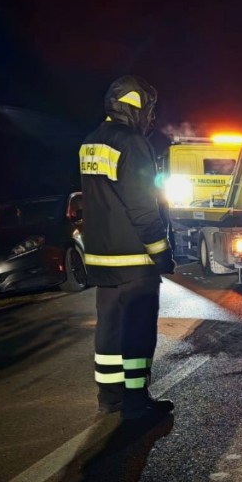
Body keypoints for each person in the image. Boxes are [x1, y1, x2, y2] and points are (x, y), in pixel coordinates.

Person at [79, 75, 176, 422]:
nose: (151, 117)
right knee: (137, 330)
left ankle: (110, 397)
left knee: (108, 328)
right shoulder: (132, 143)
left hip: (101, 257)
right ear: (136, 107)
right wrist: (161, 253)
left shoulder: (91, 141)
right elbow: (142, 207)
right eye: (149, 109)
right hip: (134, 259)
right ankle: (136, 401)